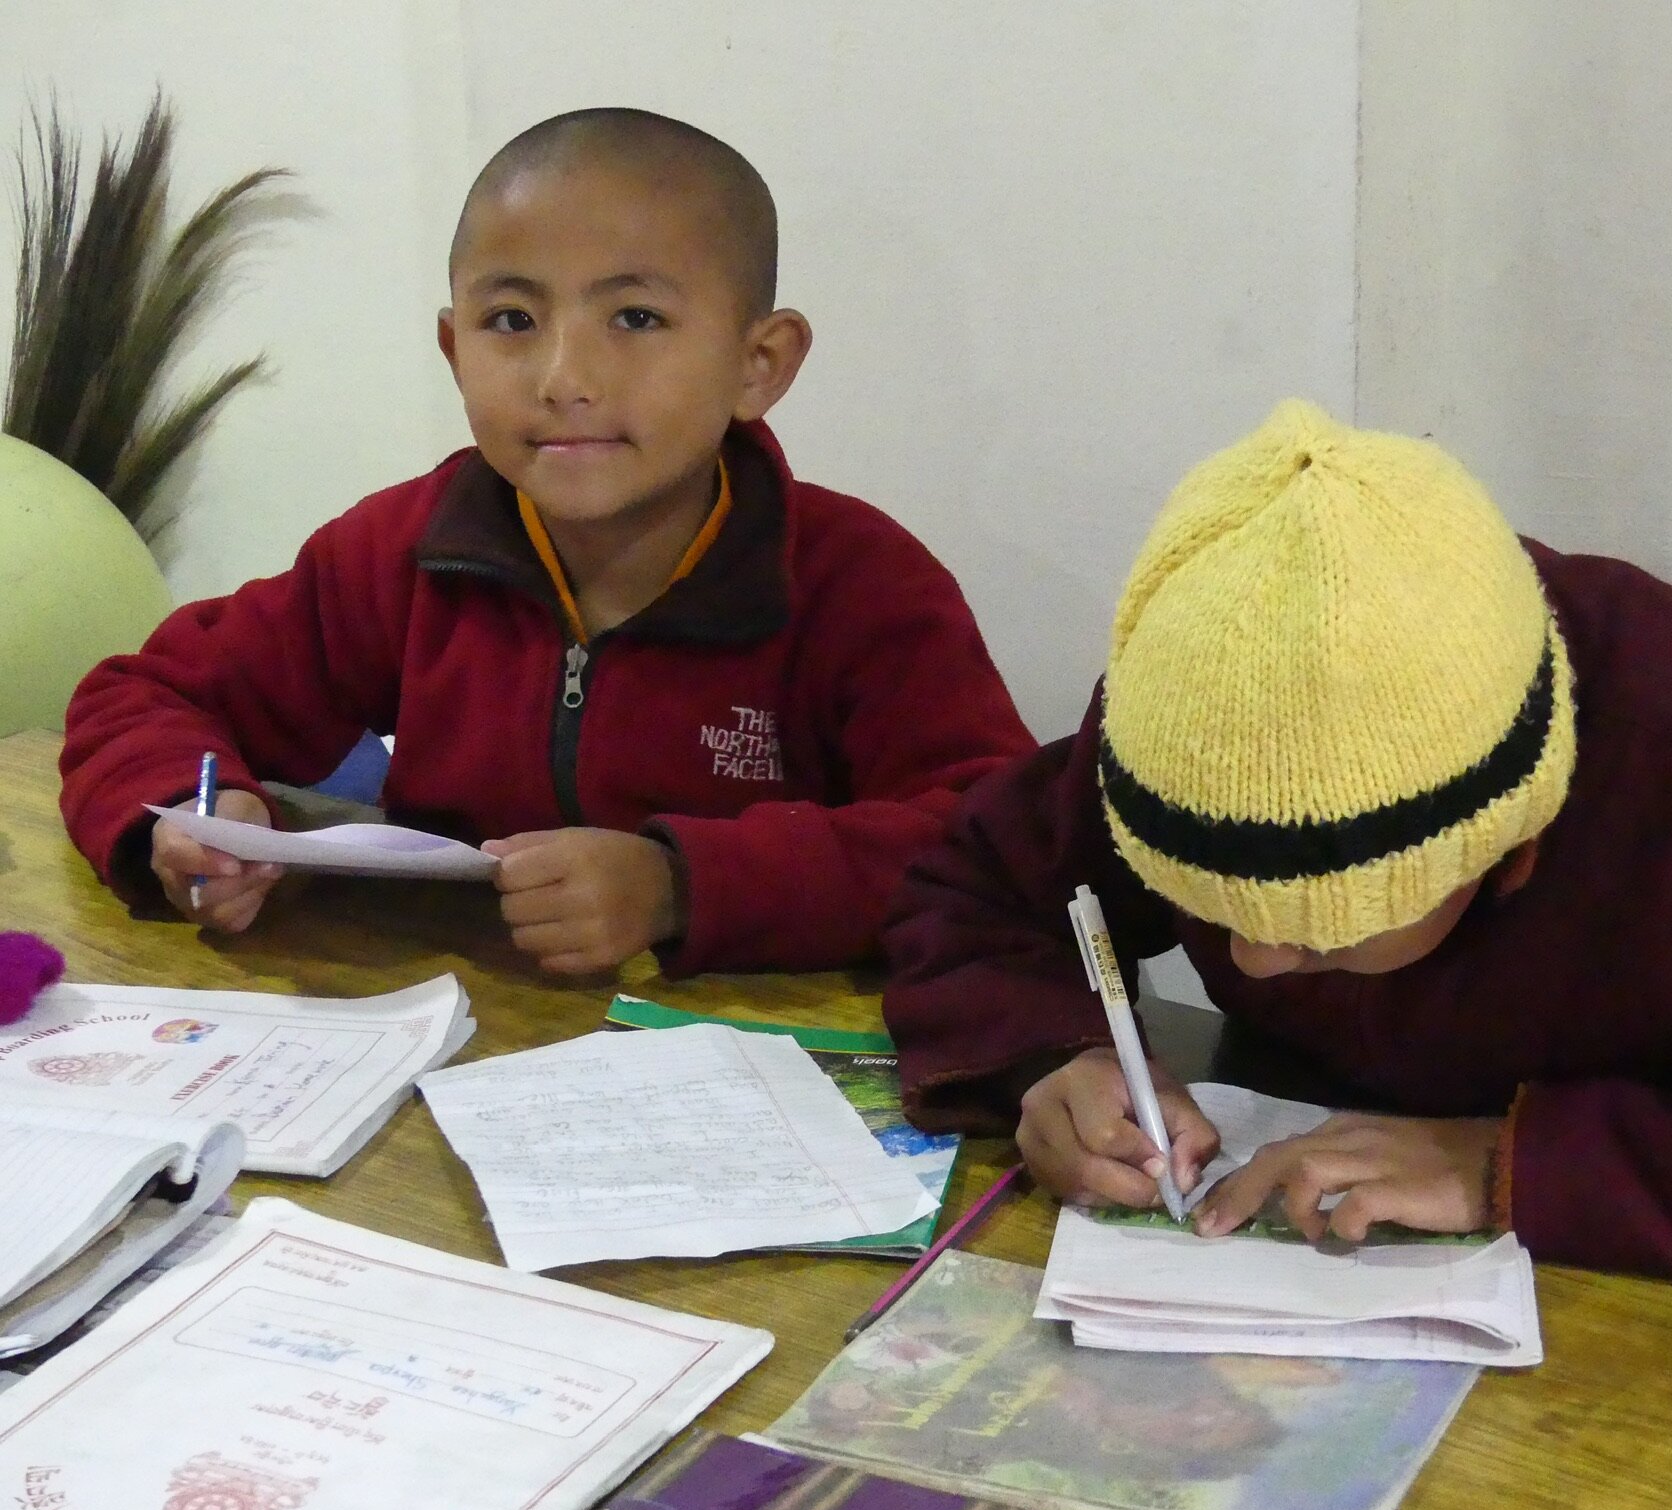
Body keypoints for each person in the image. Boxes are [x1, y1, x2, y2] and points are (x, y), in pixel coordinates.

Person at [883, 399, 1672, 1293]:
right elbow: (979, 887)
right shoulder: (1198, 719)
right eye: (1212, 910)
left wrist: (1508, 1163)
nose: (1253, 961)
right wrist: (1054, 1055)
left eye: (1320, 935)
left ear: (1513, 850)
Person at [60, 108, 1032, 976]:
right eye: (512, 320)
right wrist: (198, 816)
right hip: (460, 1039)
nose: (565, 375)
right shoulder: (409, 551)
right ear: (455, 349)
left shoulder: (855, 585)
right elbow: (144, 692)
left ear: (757, 364)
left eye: (636, 317)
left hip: (760, 1064)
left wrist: (681, 884)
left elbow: (998, 837)